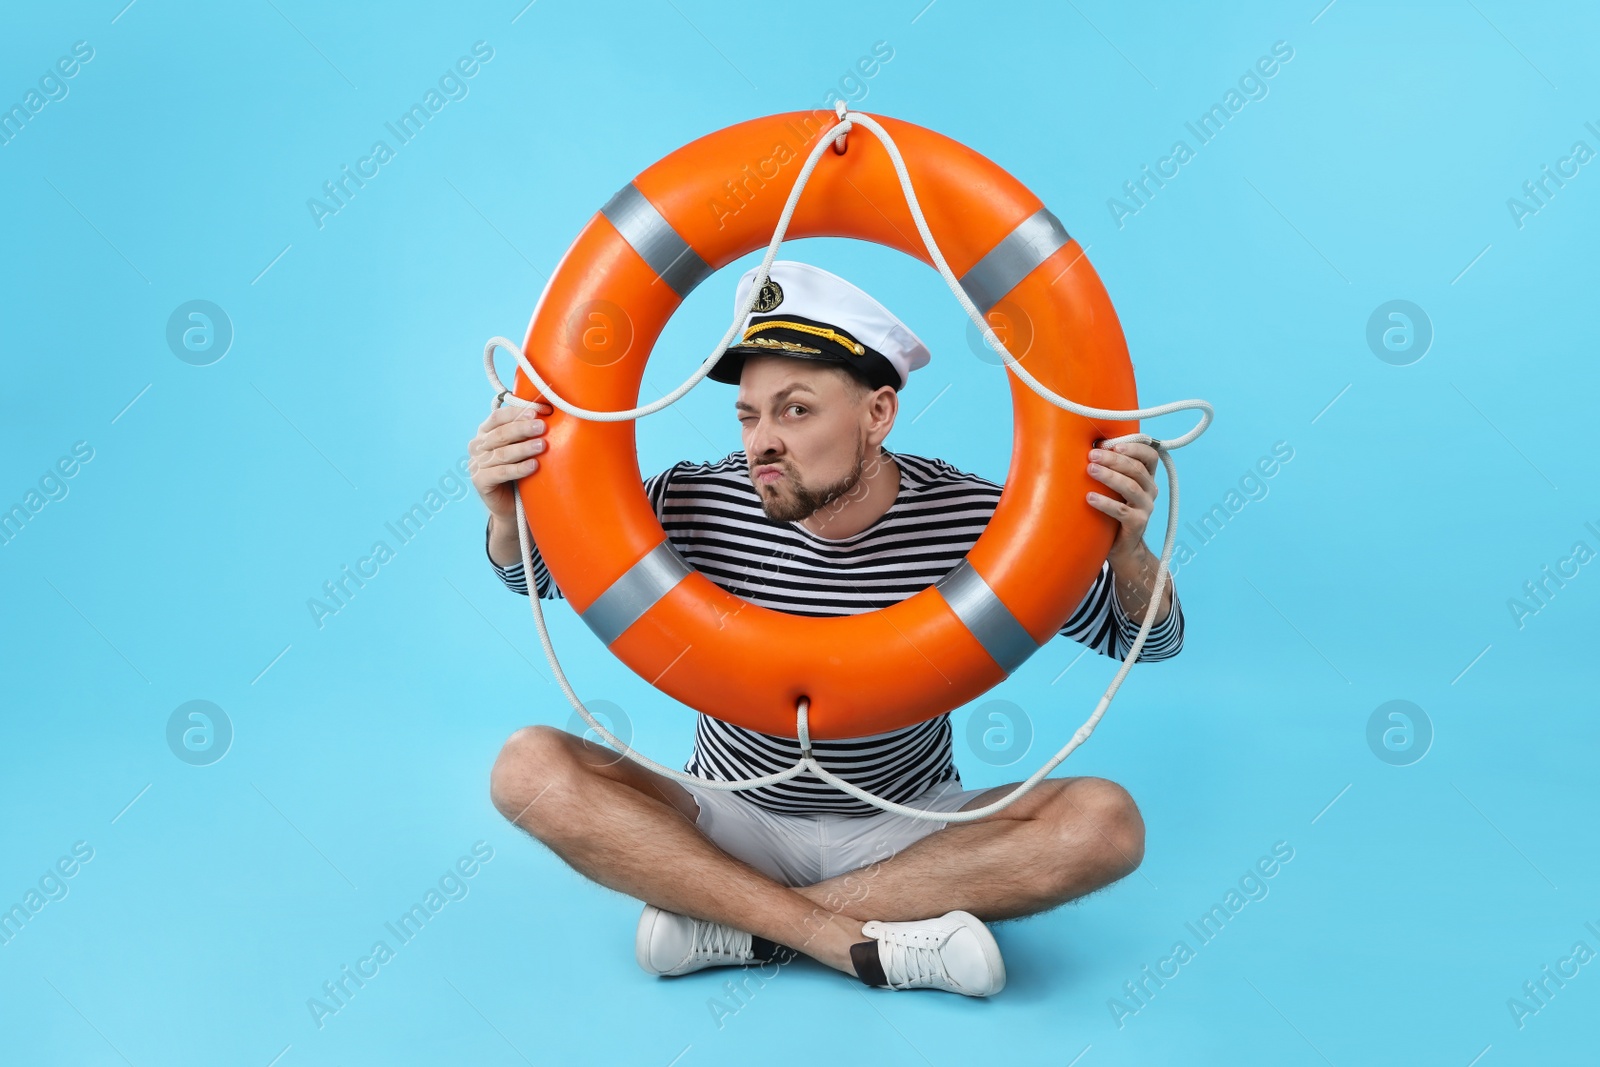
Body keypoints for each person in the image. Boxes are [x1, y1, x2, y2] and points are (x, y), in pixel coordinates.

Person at [472, 260, 1184, 997]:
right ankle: (857, 939)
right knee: (525, 767)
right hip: (727, 814)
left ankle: (737, 921)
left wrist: (1128, 551)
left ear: (877, 414)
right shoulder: (693, 499)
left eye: (796, 410)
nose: (761, 442)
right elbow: (543, 574)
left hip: (907, 824)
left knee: (1106, 822)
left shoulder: (979, 521)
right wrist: (504, 515)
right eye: (748, 414)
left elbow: (1149, 639)